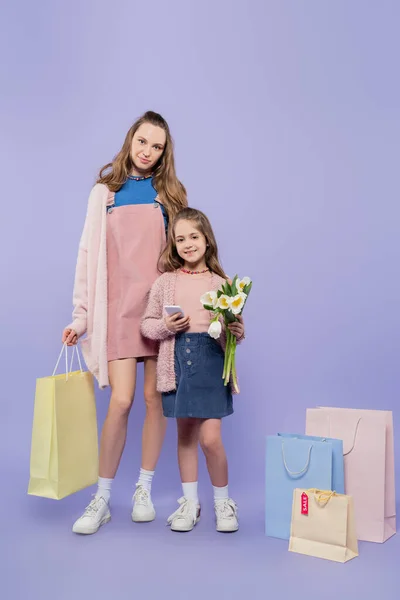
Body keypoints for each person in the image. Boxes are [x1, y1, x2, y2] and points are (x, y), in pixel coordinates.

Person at [62, 111, 187, 534]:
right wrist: (81, 316)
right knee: (121, 402)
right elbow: (86, 256)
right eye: (143, 141)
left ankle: (144, 489)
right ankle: (101, 497)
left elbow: (185, 254)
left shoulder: (170, 195)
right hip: (116, 310)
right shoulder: (104, 193)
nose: (148, 152)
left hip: (156, 311)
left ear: (164, 152)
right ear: (130, 138)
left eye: (157, 146)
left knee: (156, 402)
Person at [141, 208, 245, 533]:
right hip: (177, 363)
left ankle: (223, 502)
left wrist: (237, 333)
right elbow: (147, 325)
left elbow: (234, 331)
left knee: (210, 439)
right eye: (180, 238)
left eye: (194, 237)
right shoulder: (165, 283)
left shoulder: (223, 284)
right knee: (185, 436)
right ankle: (190, 503)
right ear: (173, 244)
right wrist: (166, 326)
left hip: (211, 363)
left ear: (207, 240)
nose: (188, 244)